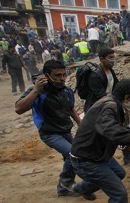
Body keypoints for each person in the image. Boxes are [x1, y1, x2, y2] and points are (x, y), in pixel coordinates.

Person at [65, 79, 130, 202]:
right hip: (86, 160)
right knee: (119, 195)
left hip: (98, 154)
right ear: (127, 98)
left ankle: (81, 188)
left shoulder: (114, 104)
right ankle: (82, 187)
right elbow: (108, 127)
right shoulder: (109, 106)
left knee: (119, 173)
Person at [14, 60, 87, 199]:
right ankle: (66, 183)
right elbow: (18, 109)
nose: (62, 78)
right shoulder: (38, 91)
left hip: (65, 131)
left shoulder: (66, 90)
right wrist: (36, 90)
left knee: (72, 157)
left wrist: (80, 124)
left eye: (64, 75)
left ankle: (63, 189)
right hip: (49, 133)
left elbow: (71, 108)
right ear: (46, 76)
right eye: (57, 75)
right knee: (73, 154)